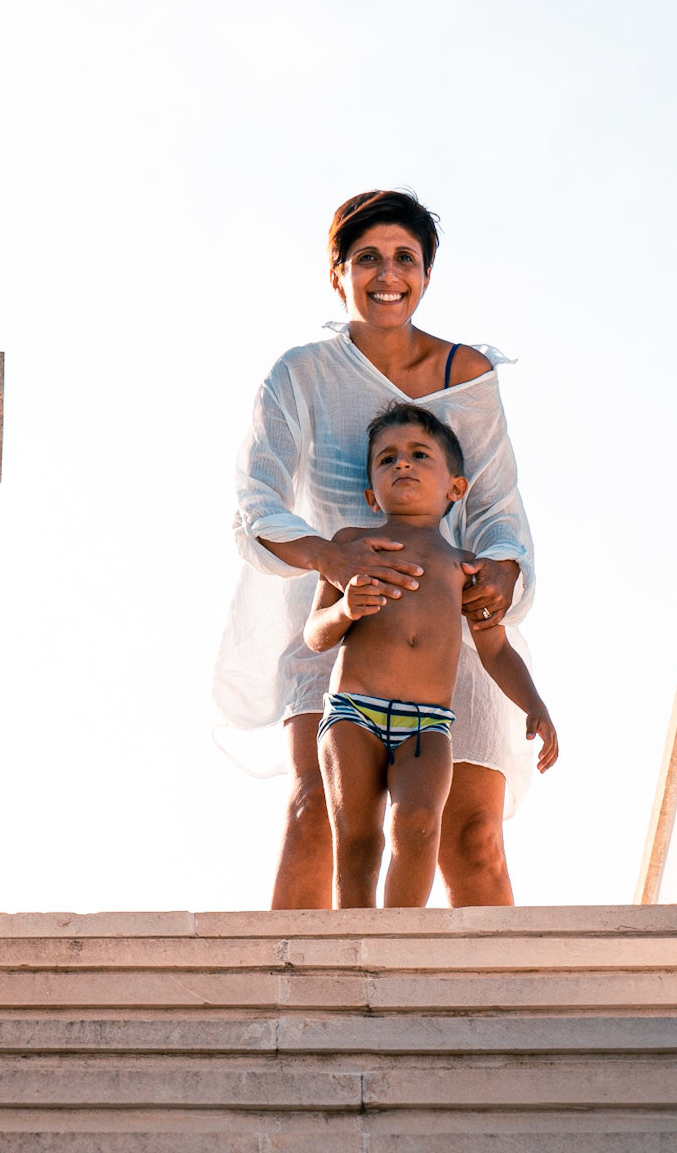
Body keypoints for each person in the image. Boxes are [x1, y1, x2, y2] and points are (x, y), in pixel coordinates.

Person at [215, 187, 538, 908]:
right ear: (338, 274)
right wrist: (329, 558)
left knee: (471, 838)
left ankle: (467, 983)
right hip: (338, 620)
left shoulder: (468, 377)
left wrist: (504, 568)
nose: (387, 274)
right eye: (367, 258)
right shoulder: (300, 374)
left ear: (425, 274)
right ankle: (299, 979)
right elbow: (255, 501)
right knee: (316, 817)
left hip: (449, 619)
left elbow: (497, 508)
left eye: (404, 258)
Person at [307, 404, 557, 907]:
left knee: (419, 824)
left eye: (420, 455)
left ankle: (399, 942)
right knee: (357, 840)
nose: (402, 463)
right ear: (370, 493)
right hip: (353, 713)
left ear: (455, 488)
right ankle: (354, 944)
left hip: (427, 725)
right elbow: (316, 635)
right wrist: (346, 609)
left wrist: (535, 704)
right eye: (387, 459)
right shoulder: (352, 546)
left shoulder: (465, 568)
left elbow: (496, 649)